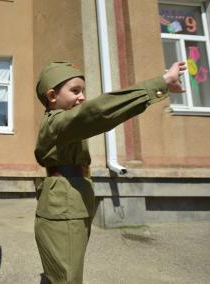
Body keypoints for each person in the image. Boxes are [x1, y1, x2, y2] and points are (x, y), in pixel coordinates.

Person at [34, 60, 186, 283]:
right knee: (67, 278)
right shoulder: (57, 123)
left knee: (65, 273)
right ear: (52, 96)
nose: (82, 97)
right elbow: (98, 111)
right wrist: (160, 83)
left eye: (83, 91)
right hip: (63, 205)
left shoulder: (65, 123)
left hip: (71, 200)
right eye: (75, 91)